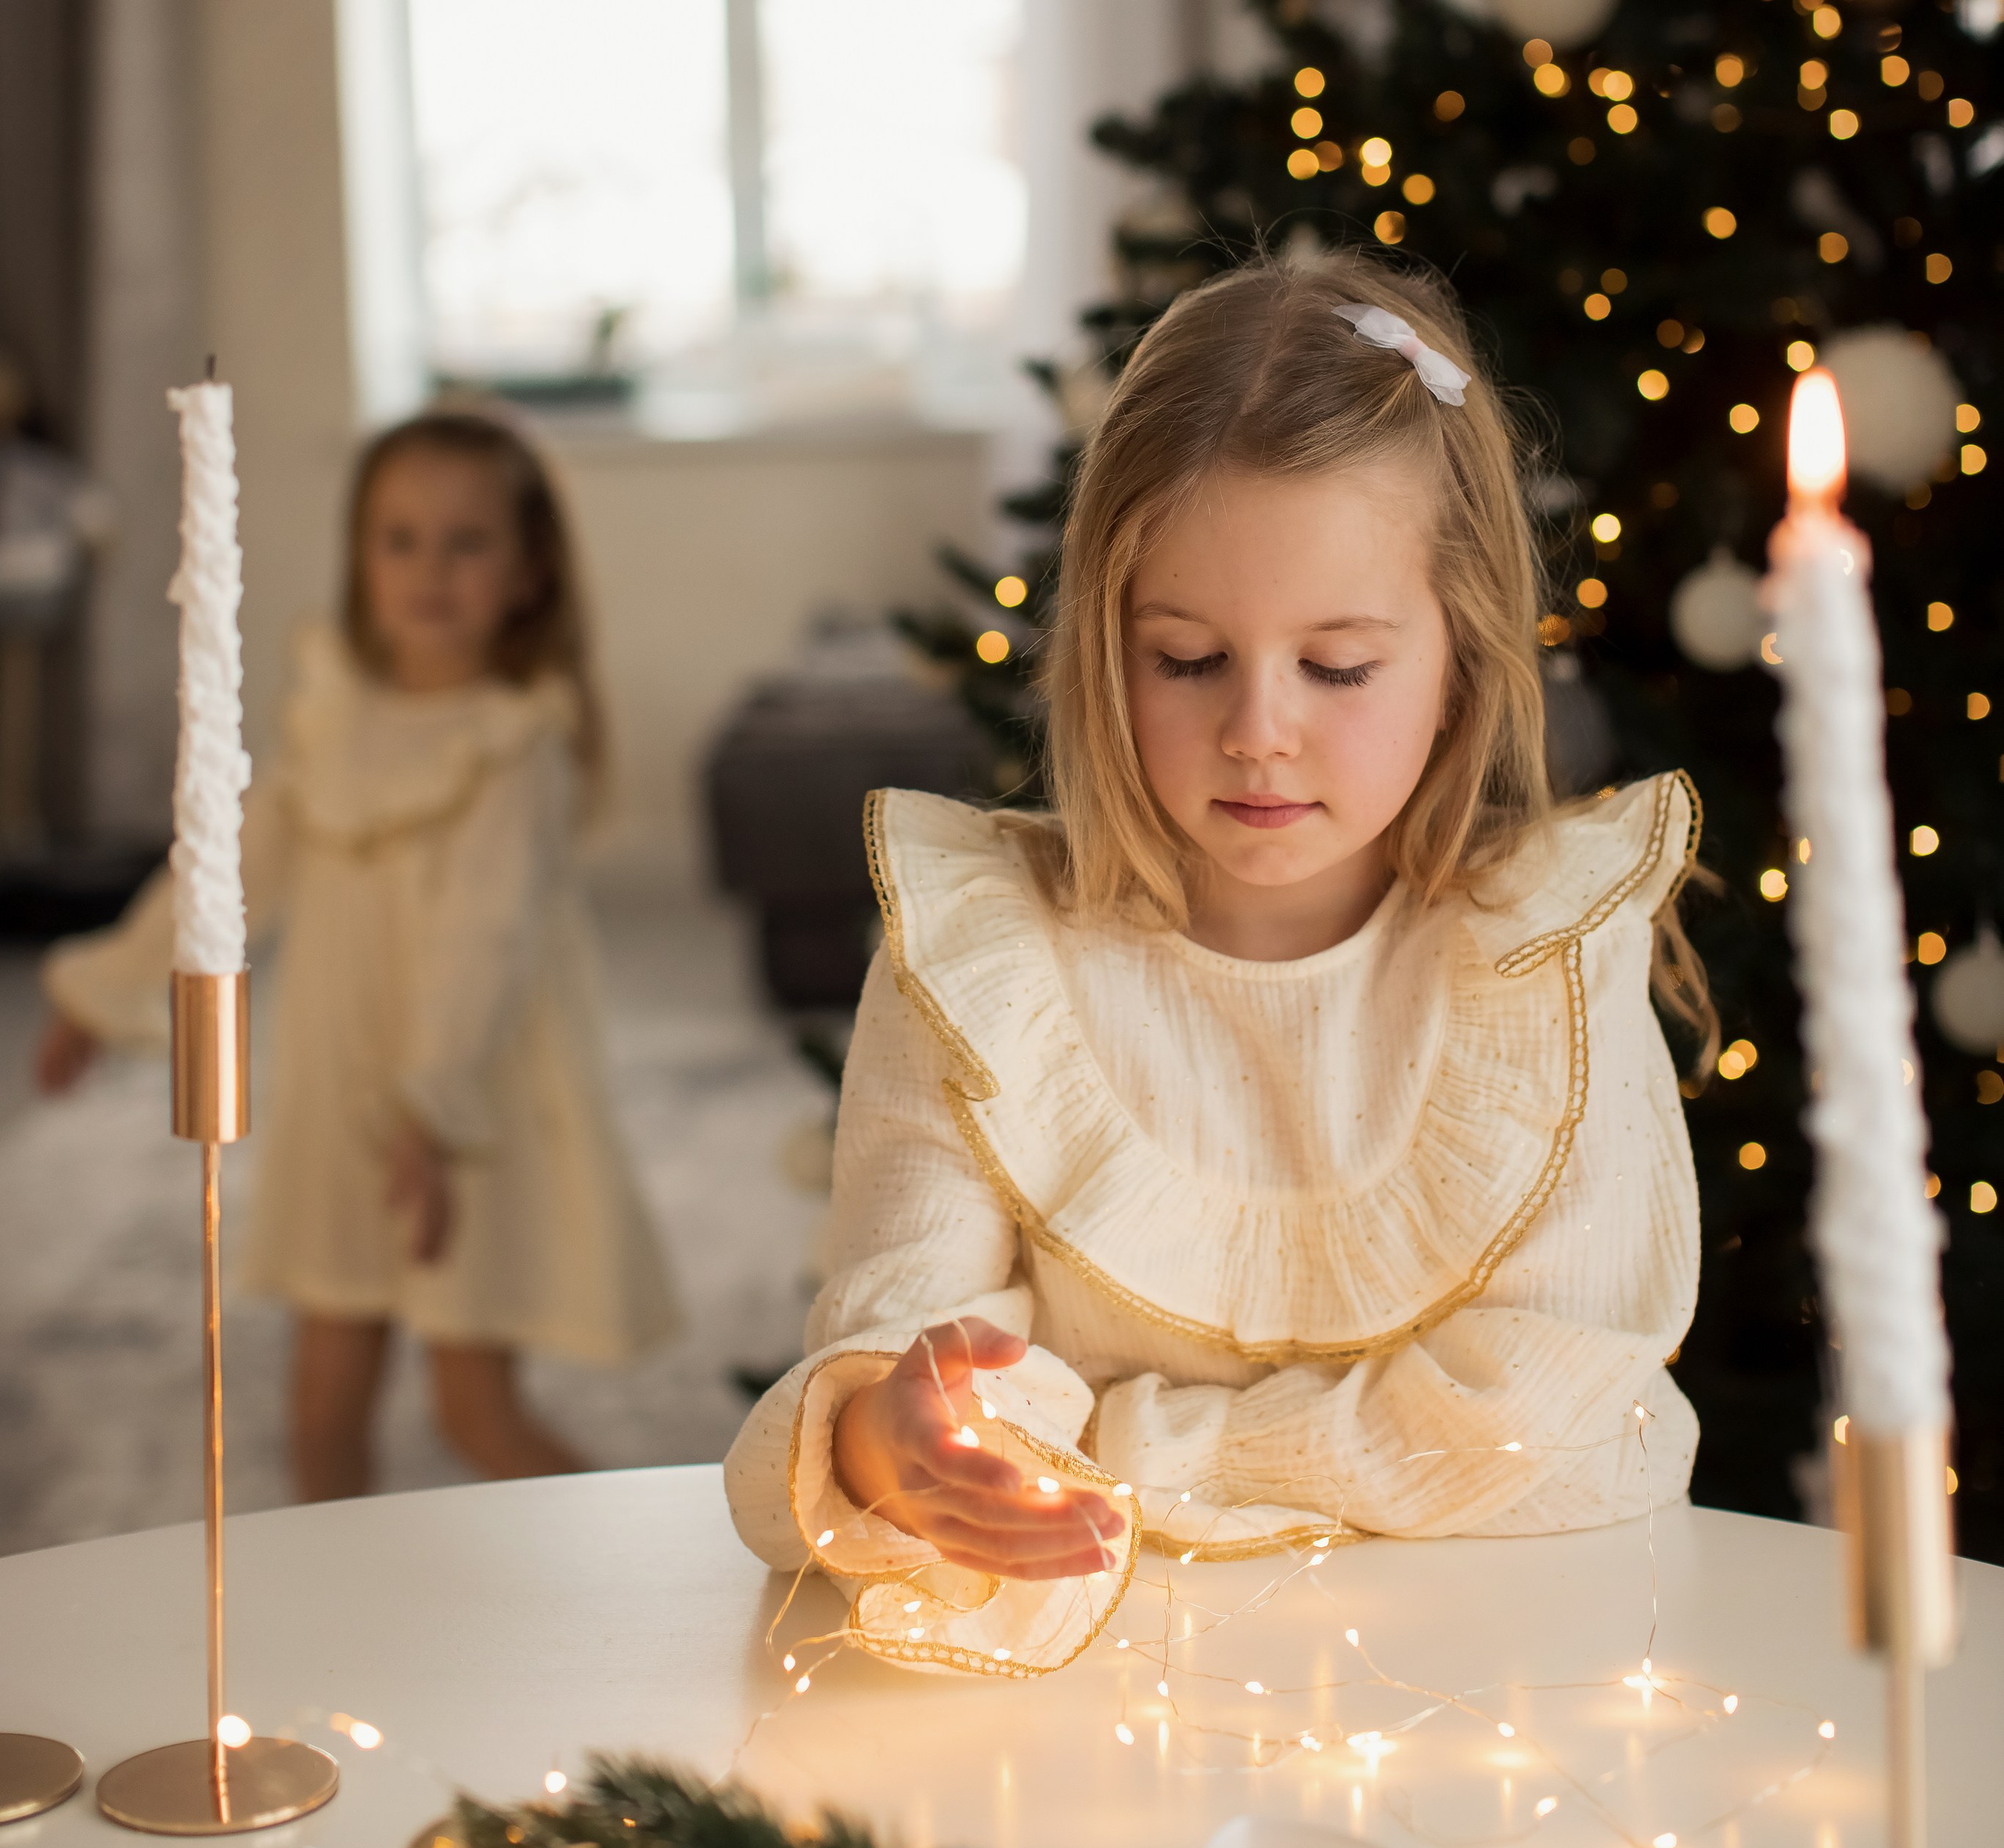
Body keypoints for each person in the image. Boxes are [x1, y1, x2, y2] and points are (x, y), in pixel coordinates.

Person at [725, 253, 1708, 1677]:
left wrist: (1119, 1442)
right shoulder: (980, 956)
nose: (1259, 730)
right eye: (1186, 659)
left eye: (1340, 667)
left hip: (1506, 1685)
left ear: (1464, 653)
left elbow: (1563, 1430)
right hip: (1098, 1696)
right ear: (1102, 647)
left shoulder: (1548, 957)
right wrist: (884, 1440)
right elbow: (908, 1352)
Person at [38, 407, 676, 1500]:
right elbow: (228, 868)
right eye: (401, 539)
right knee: (319, 1408)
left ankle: (668, 1571)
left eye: (468, 543)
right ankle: (331, 1630)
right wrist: (107, 988)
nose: (431, 568)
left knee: (476, 1413)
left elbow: (487, 943)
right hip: (339, 1120)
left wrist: (432, 1114)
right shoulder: (334, 716)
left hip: (457, 1120)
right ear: (362, 558)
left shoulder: (515, 746)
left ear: (529, 575)